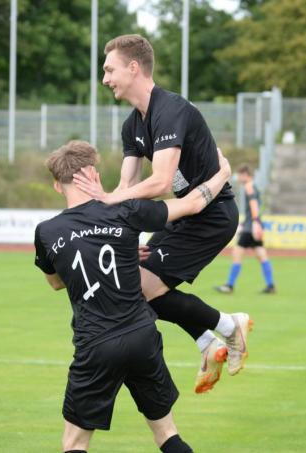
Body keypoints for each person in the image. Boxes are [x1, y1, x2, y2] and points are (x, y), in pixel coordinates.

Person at [72, 34, 251, 394]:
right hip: (182, 214)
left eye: (109, 70)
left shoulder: (171, 110)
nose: (105, 79)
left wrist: (111, 198)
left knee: (138, 288)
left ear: (133, 68)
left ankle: (229, 327)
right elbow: (127, 187)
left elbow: (161, 181)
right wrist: (121, 236)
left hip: (212, 214)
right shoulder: (131, 126)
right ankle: (209, 341)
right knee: (130, 285)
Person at [34, 140, 233, 453]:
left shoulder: (47, 232)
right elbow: (193, 204)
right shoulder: (125, 210)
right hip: (142, 335)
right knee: (167, 434)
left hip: (96, 344)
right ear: (93, 174)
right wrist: (222, 174)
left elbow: (56, 282)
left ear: (58, 186)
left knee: (74, 443)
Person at [215, 164, 276, 294]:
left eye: (239, 175)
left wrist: (255, 222)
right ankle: (270, 285)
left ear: (245, 175)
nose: (238, 178)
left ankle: (229, 285)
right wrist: (252, 222)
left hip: (251, 228)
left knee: (237, 254)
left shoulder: (249, 187)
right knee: (262, 255)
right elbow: (256, 207)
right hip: (252, 225)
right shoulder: (255, 186)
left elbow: (253, 204)